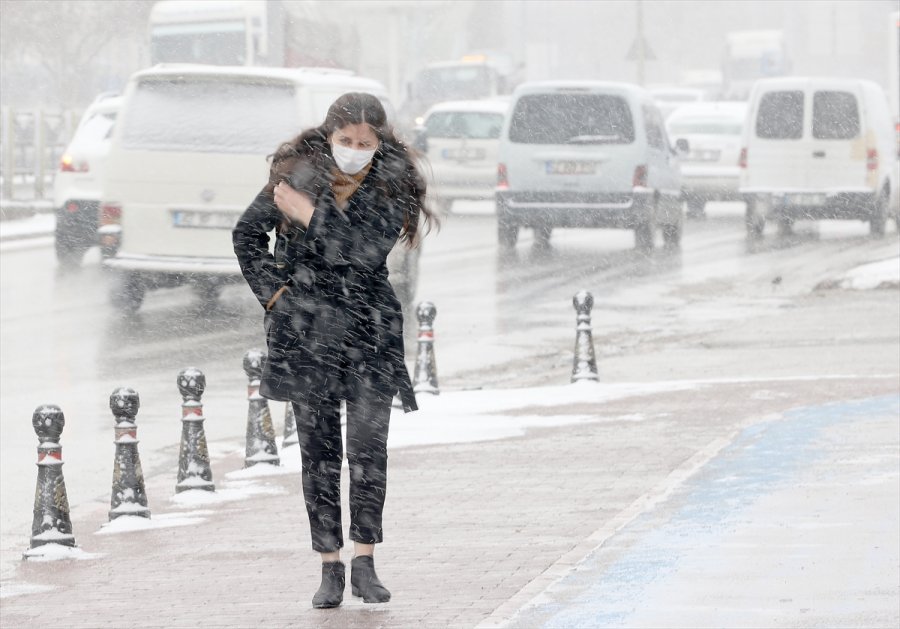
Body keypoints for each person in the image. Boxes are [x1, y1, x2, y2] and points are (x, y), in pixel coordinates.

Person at [232, 92, 436, 608]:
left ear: (379, 142)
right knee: (318, 455)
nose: (354, 150)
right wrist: (275, 295)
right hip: (307, 333)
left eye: (364, 143)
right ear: (330, 135)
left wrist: (307, 215)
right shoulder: (296, 173)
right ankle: (329, 566)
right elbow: (246, 236)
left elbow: (364, 254)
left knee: (367, 452)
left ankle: (366, 560)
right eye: (345, 141)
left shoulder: (395, 181)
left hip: (369, 331)